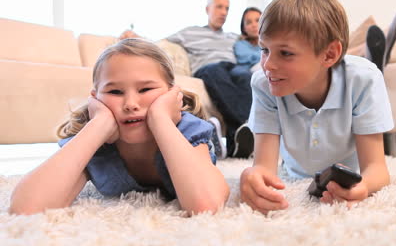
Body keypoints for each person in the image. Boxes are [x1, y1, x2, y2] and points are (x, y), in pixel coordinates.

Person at [9, 38, 230, 215]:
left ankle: (216, 135)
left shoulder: (187, 130)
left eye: (145, 90)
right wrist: (99, 125)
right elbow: (26, 207)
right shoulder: (93, 141)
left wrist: (161, 119)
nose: (131, 104)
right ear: (95, 99)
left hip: (190, 135)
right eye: (115, 92)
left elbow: (207, 204)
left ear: (172, 94)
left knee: (214, 147)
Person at [240, 0, 394, 214]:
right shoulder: (263, 84)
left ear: (329, 54)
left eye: (285, 53)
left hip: (348, 173)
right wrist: (252, 177)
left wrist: (363, 187)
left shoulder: (364, 79)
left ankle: (372, 55)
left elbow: (377, 169)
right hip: (293, 177)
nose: (268, 65)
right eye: (264, 49)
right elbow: (264, 167)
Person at [120, 0, 254, 159]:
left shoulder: (232, 37)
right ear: (207, 9)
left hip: (232, 67)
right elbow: (160, 43)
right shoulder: (190, 32)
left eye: (227, 8)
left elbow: (253, 43)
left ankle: (242, 136)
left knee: (245, 75)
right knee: (215, 71)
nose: (224, 12)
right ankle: (243, 128)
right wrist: (134, 38)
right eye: (219, 7)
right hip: (208, 68)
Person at [231, 7, 262, 76]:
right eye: (249, 22)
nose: (254, 25)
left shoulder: (270, 44)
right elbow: (247, 58)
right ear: (244, 28)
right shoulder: (240, 45)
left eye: (257, 20)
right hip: (249, 74)